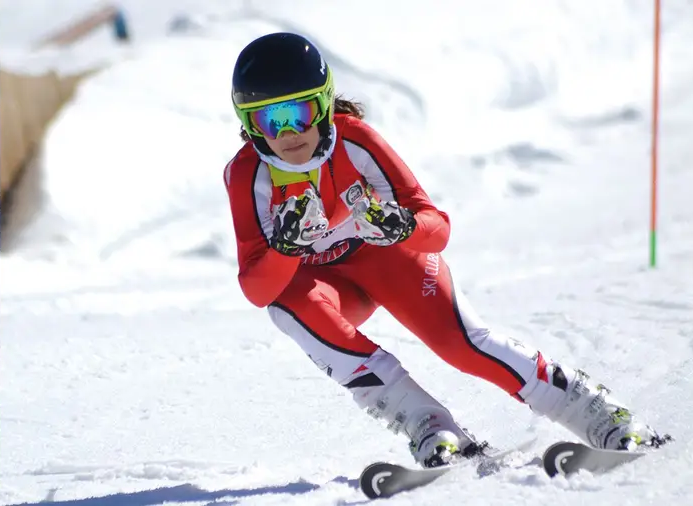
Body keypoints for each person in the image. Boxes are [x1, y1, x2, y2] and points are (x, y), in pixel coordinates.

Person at [221, 31, 669, 468]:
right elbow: (258, 288)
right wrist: (284, 249)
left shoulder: (355, 141)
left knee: (461, 344)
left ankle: (602, 416)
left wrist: (400, 226)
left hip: (386, 261)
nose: (287, 132)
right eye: (268, 119)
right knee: (286, 306)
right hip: (327, 289)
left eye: (299, 113)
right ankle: (431, 426)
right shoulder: (247, 175)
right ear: (248, 124)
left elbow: (437, 229)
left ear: (323, 106)